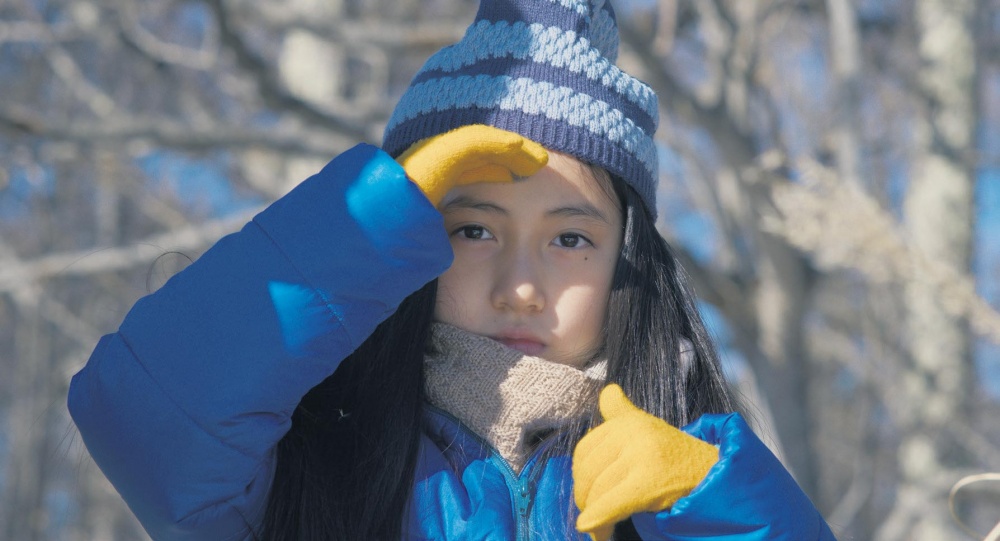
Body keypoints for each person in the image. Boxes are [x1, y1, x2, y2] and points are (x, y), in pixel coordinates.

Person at [68, 0, 838, 539]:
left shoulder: (681, 488)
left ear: (628, 263)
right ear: (408, 245)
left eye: (571, 238)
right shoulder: (312, 463)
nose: (520, 287)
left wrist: (715, 508)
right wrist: (367, 217)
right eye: (472, 229)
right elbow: (144, 416)